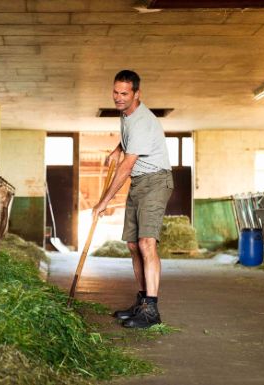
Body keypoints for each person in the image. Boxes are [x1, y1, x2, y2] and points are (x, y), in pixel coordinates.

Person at [94, 70, 174, 328]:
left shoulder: (141, 120)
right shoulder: (126, 114)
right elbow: (130, 144)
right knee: (132, 244)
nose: (118, 98)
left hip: (154, 180)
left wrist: (104, 201)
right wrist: (118, 149)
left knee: (146, 242)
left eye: (124, 93)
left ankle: (151, 310)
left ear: (137, 94)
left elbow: (127, 167)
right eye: (115, 92)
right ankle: (141, 303)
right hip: (140, 182)